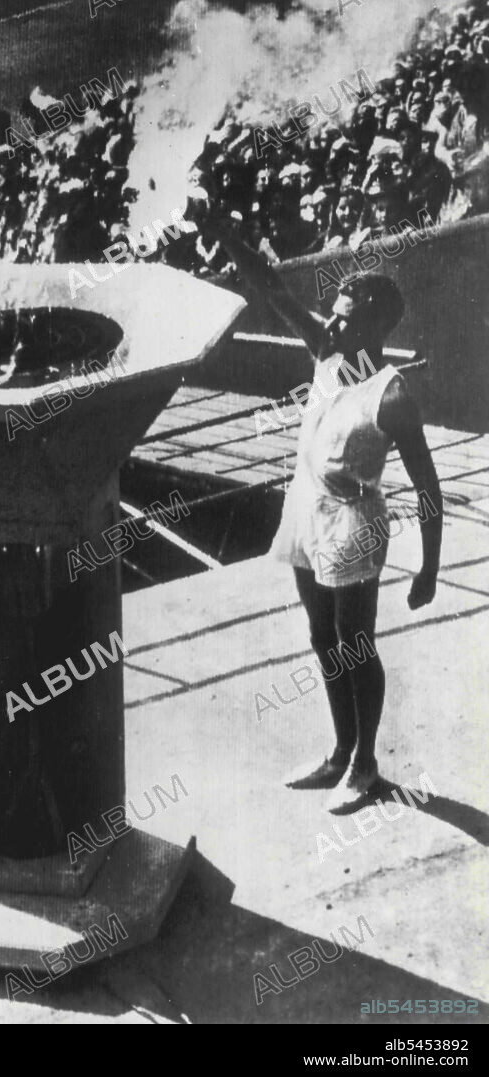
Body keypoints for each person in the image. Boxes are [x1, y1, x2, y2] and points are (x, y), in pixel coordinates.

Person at [199, 210, 443, 813]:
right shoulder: (328, 356)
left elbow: (429, 488)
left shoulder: (394, 395)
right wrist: (223, 231)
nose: (332, 315)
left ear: (373, 323)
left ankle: (365, 763)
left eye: (344, 309)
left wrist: (429, 570)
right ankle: (339, 750)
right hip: (308, 512)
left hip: (355, 524)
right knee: (320, 634)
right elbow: (273, 289)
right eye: (333, 306)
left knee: (354, 639)